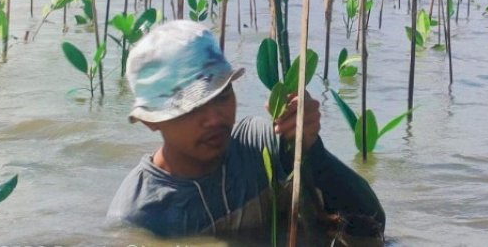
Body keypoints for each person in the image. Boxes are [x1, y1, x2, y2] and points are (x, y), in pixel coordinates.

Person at [107, 20, 385, 243]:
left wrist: (312, 151)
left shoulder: (262, 145)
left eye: (222, 95)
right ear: (151, 121)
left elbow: (373, 224)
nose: (214, 118)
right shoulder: (140, 216)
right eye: (192, 108)